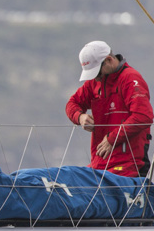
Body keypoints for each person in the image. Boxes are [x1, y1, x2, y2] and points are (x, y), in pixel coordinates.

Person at [65, 40, 153, 177]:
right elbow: (72, 103)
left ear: (109, 60)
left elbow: (143, 116)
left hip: (128, 166)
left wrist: (113, 138)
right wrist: (80, 117)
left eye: (98, 73)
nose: (97, 78)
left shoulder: (130, 79)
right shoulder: (94, 82)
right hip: (99, 164)